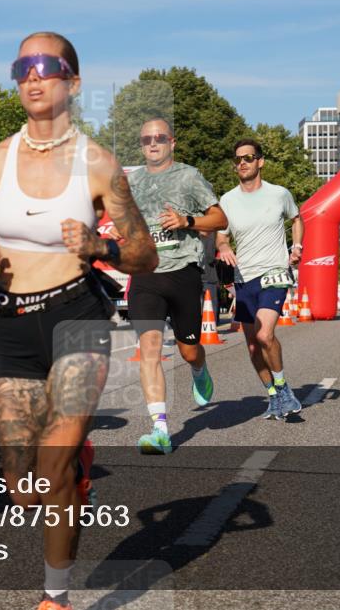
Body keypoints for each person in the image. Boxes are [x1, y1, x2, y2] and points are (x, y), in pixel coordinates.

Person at [0, 31, 156, 610]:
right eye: (22, 66)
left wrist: (101, 245)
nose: (32, 75)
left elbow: (144, 253)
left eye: (46, 65)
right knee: (22, 489)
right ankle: (76, 466)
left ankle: (55, 596)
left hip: (77, 317)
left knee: (52, 468)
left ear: (72, 81)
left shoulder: (98, 164)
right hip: (14, 325)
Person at [124, 118, 228, 454]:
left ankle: (199, 367)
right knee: (149, 350)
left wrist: (187, 221)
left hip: (183, 272)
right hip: (146, 276)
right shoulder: (133, 181)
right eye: (145, 139)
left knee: (188, 349)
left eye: (159, 138)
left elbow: (220, 218)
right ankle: (160, 430)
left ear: (172, 142)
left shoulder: (188, 176)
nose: (152, 144)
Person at [216, 139, 303, 421]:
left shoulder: (279, 194)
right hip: (244, 279)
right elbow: (221, 234)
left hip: (274, 273)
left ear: (260, 162)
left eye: (249, 157)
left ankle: (284, 388)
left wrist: (297, 246)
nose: (243, 162)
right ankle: (274, 396)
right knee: (253, 346)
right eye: (238, 159)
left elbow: (297, 219)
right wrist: (224, 246)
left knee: (266, 334)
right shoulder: (227, 200)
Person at [200, 231, 221, 323]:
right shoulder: (212, 235)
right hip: (209, 275)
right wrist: (217, 260)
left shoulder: (191, 235)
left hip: (195, 274)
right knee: (211, 303)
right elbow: (210, 257)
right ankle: (212, 327)